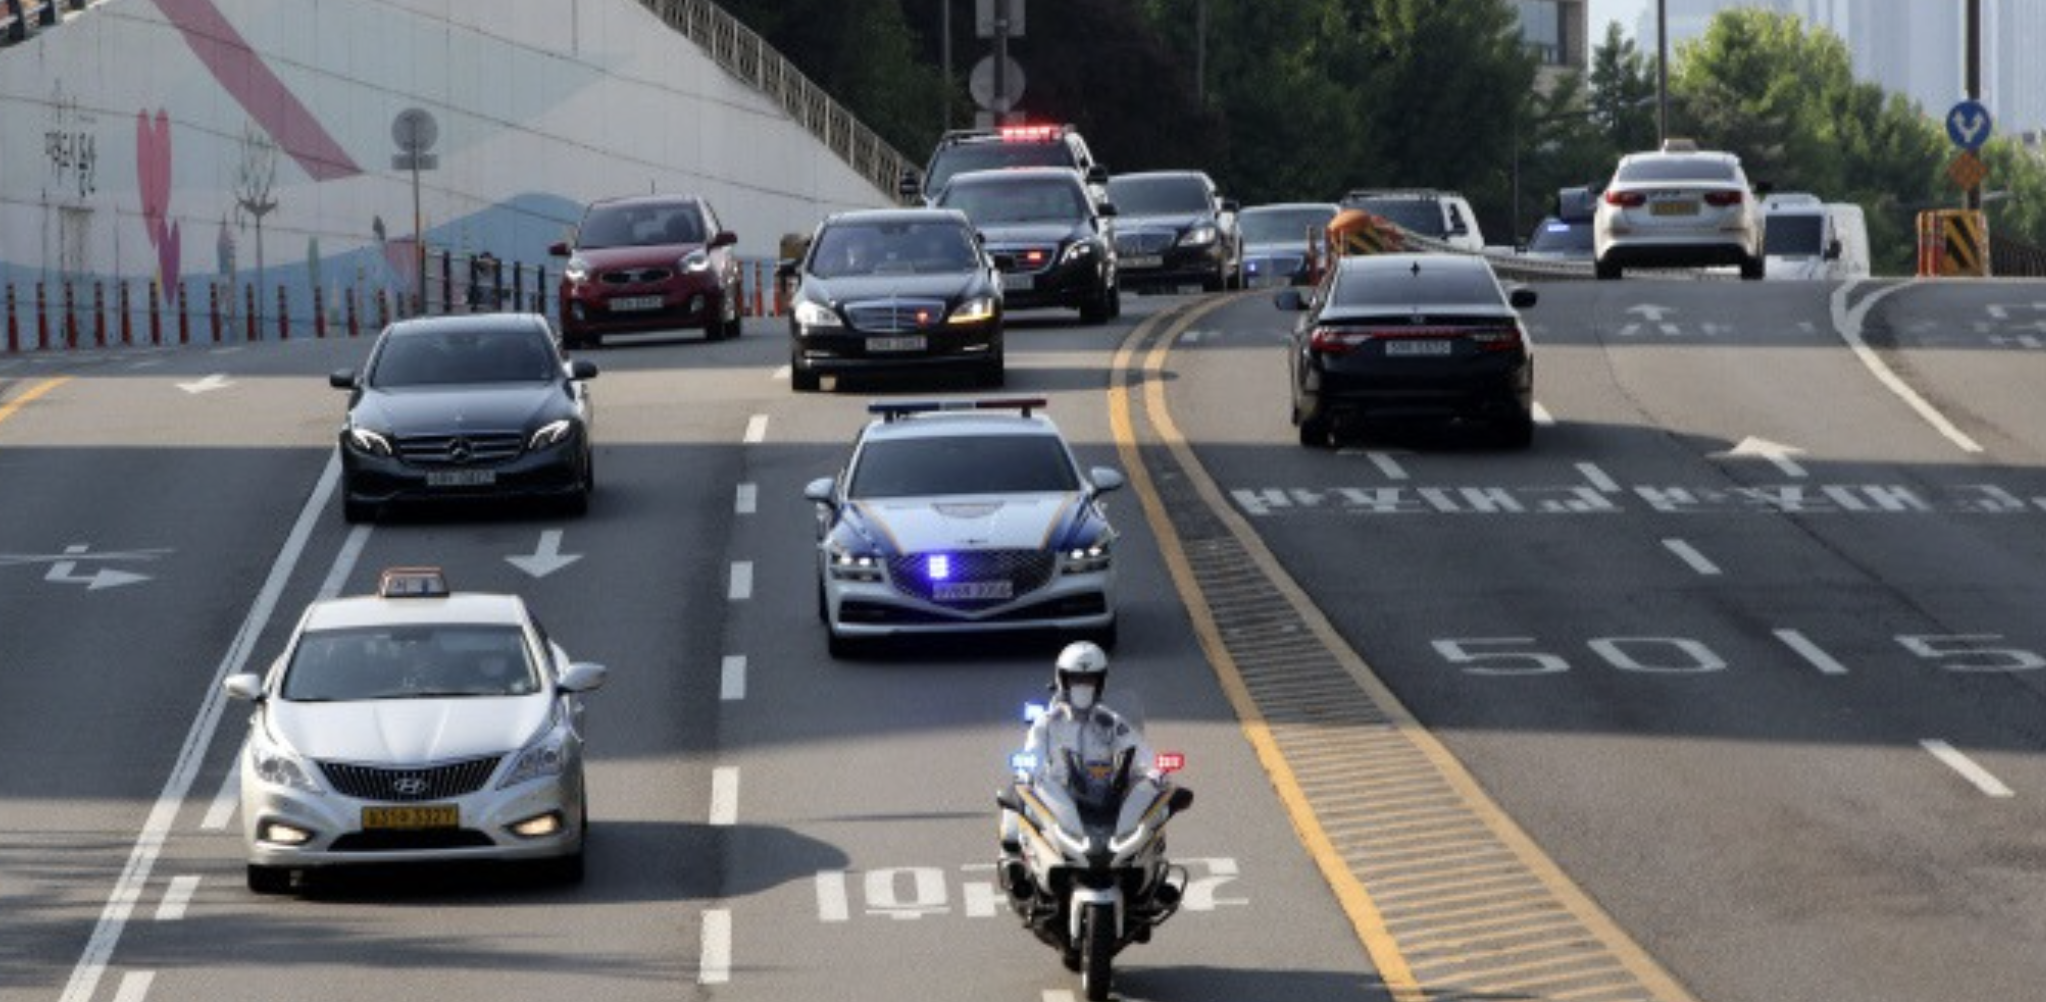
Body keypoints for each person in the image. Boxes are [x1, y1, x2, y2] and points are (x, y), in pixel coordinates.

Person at [999, 641, 1157, 878]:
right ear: (1063, 679)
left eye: (1090, 679)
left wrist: (1154, 773)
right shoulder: (1048, 721)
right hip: (1060, 800)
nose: (1083, 686)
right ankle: (1016, 870)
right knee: (1013, 821)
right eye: (1076, 679)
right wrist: (1029, 771)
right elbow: (1033, 754)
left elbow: (1140, 752)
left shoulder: (1110, 721)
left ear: (1101, 682)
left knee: (1152, 818)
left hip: (1105, 799)